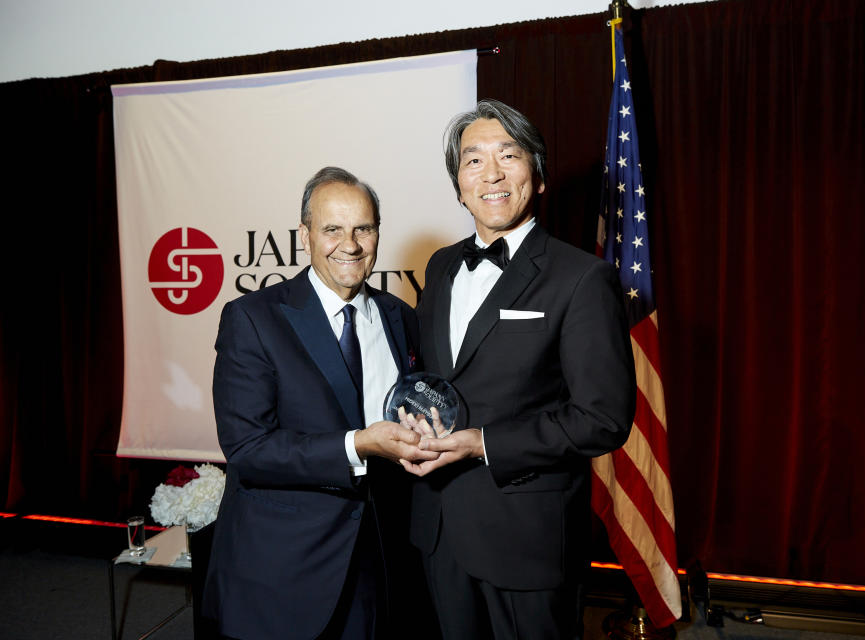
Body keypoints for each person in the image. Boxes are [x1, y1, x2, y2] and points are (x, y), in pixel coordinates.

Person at [400, 100, 636, 639]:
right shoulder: (439, 266)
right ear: (458, 184)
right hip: (437, 528)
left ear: (539, 174)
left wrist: (483, 443)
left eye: (509, 155)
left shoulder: (582, 278)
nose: (492, 173)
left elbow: (602, 418)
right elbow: (437, 380)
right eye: (473, 160)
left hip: (527, 539)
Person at [202, 166, 438, 639]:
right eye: (332, 229)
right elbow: (248, 449)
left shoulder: (401, 317)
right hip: (284, 571)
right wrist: (358, 445)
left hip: (381, 562)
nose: (349, 245)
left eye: (363, 229)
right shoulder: (253, 318)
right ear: (305, 235)